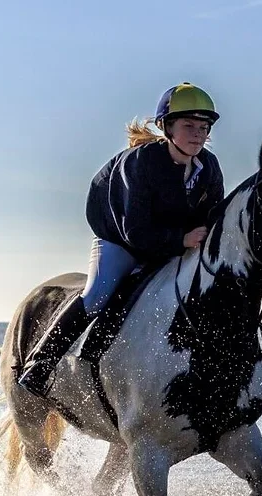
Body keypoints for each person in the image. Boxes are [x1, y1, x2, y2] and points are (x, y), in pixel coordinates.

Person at [18, 82, 225, 398]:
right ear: (166, 127)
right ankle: (40, 364)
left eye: (203, 127)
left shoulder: (208, 166)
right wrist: (182, 239)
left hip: (173, 244)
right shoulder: (141, 162)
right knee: (97, 295)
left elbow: (212, 215)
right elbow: (136, 230)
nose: (198, 133)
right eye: (189, 126)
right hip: (121, 241)